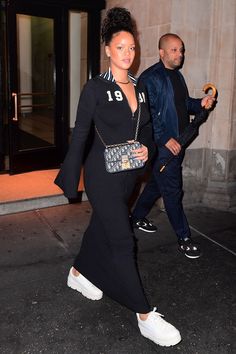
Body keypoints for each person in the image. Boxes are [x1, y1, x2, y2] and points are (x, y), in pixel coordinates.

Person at [54, 9, 181, 347]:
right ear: (108, 49)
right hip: (101, 175)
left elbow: (150, 132)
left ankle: (78, 273)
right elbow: (80, 134)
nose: (128, 53)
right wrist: (71, 179)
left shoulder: (139, 88)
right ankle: (144, 315)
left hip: (128, 175)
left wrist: (147, 150)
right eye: (121, 47)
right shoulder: (95, 88)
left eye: (132, 47)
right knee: (123, 239)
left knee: (103, 227)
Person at [131, 33, 215, 259]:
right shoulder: (150, 78)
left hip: (179, 142)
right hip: (163, 146)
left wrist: (200, 103)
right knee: (172, 191)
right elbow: (145, 115)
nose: (180, 54)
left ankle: (136, 217)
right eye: (175, 50)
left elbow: (183, 104)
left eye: (182, 50)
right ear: (162, 52)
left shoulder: (177, 77)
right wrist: (164, 138)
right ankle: (184, 237)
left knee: (157, 185)